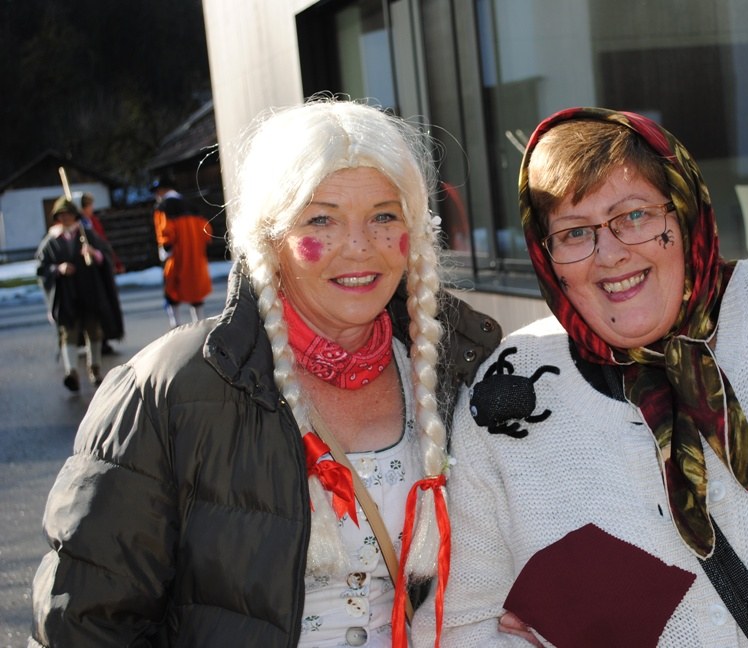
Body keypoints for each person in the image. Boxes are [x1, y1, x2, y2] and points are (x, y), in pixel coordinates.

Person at [412, 107, 748, 646]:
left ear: (684, 212)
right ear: (546, 253)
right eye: (575, 232)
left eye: (635, 216)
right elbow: (463, 625)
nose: (610, 254)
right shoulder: (511, 389)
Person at [30, 98, 501, 647]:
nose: (359, 247)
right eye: (321, 219)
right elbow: (86, 624)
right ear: (271, 237)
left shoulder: (464, 367)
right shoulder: (169, 389)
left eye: (383, 216)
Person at [35, 197, 123, 391]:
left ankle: (95, 369)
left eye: (69, 214)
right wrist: (58, 269)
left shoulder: (87, 235)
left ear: (75, 216)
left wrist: (94, 254)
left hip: (89, 291)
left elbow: (106, 255)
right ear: (57, 218)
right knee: (69, 333)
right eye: (61, 215)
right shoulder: (51, 241)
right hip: (66, 295)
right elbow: (42, 268)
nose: (65, 218)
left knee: (94, 331)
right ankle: (72, 372)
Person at [150, 174, 213, 327]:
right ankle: (199, 324)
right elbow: (207, 232)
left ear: (162, 190)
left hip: (176, 256)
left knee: (172, 289)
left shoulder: (163, 207)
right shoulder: (192, 205)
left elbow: (166, 233)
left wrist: (166, 250)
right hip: (196, 255)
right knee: (195, 289)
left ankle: (175, 324)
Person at [79, 191, 124, 354]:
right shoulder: (77, 226)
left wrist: (113, 261)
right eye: (89, 206)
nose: (91, 209)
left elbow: (103, 244)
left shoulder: (92, 223)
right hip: (85, 276)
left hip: (99, 272)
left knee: (104, 307)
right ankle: (90, 341)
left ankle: (103, 339)